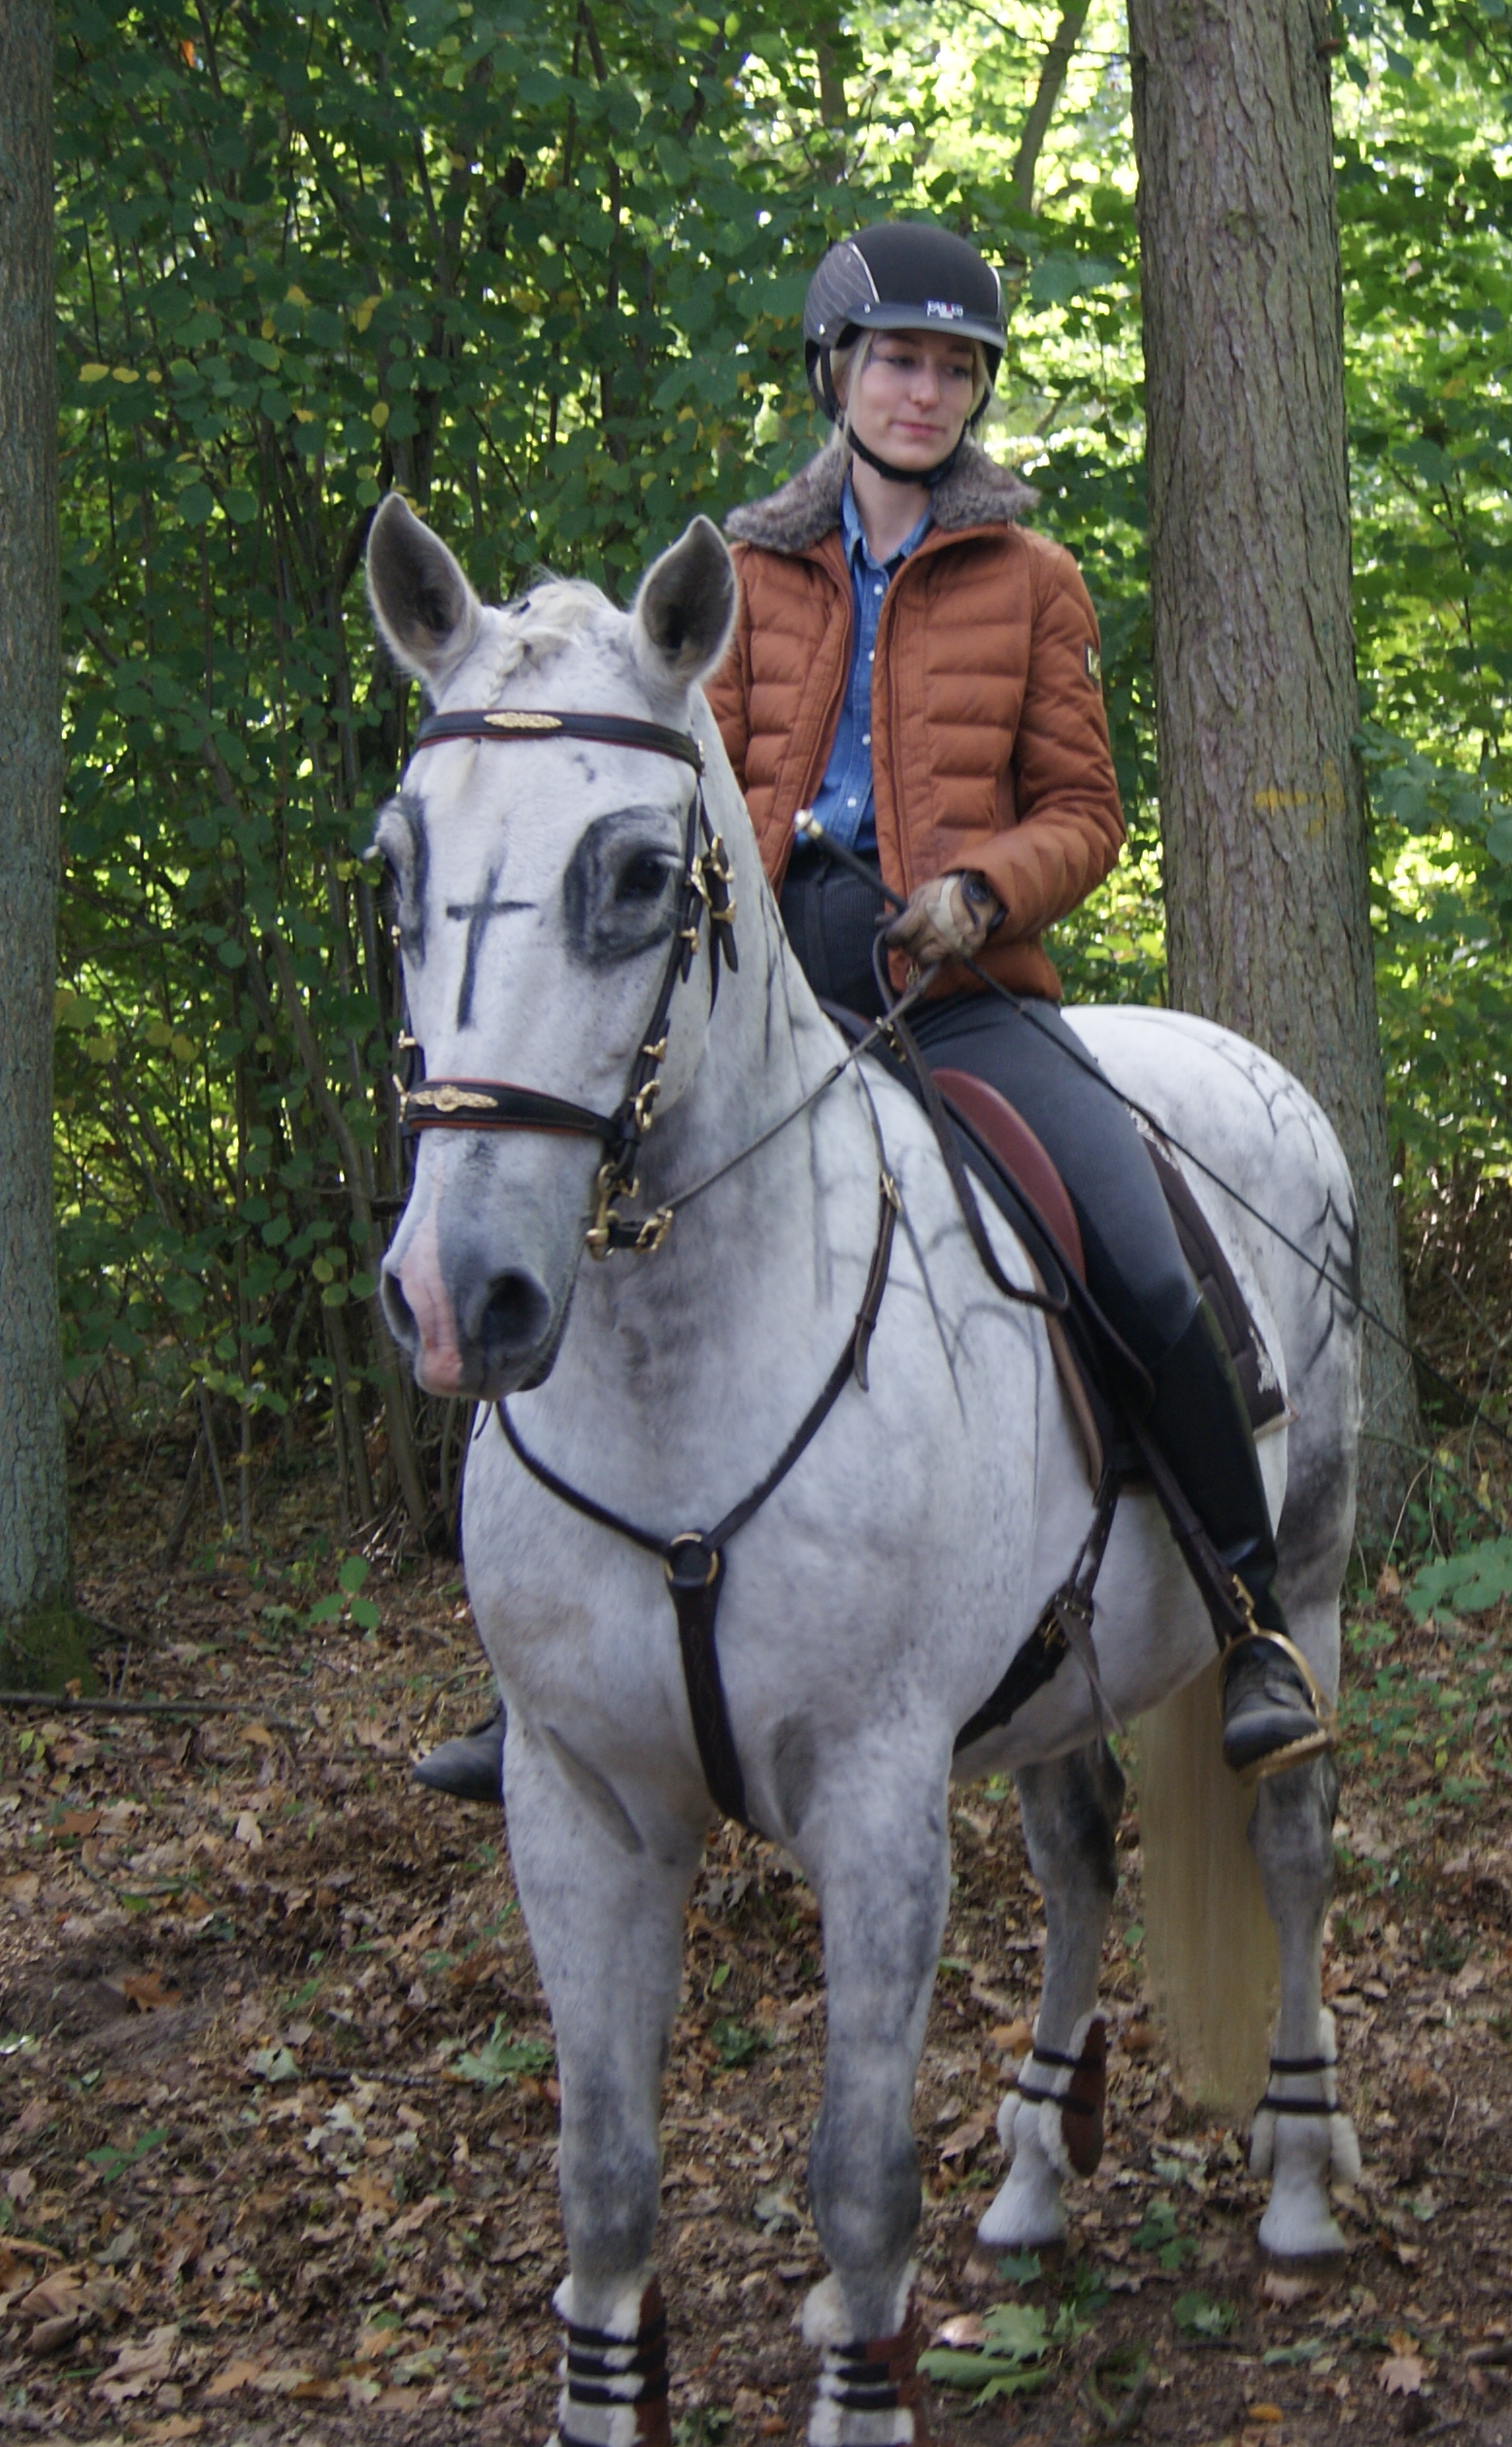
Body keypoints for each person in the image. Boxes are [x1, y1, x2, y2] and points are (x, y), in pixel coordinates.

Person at [412, 219, 1327, 1803]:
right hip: (767, 993)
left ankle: (1249, 1615)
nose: (926, 390)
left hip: (958, 990)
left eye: (956, 367)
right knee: (558, 1226)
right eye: (899, 359)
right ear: (835, 371)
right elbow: (682, 791)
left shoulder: (1033, 580)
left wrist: (982, 890)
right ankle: (535, 1671)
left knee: (1136, 1246)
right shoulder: (741, 575)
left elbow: (1087, 813)